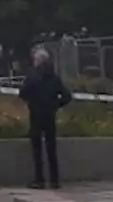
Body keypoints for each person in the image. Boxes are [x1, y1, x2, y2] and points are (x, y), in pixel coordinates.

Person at [17, 47, 72, 189]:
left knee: (37, 149)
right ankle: (54, 180)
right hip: (50, 115)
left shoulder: (33, 76)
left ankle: (39, 180)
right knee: (51, 148)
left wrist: (31, 101)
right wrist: (55, 105)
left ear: (38, 61)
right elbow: (67, 96)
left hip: (36, 115)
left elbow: (23, 93)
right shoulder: (54, 77)